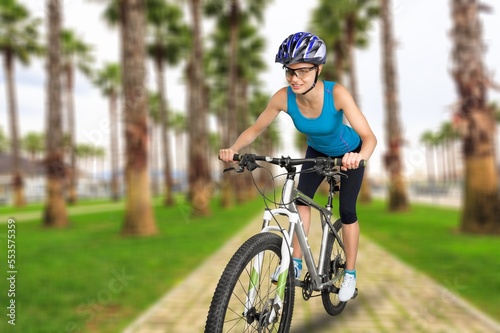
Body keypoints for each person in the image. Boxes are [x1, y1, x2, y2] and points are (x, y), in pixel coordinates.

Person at [219, 32, 377, 302]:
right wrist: (234, 149)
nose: (295, 78)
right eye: (289, 71)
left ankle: (349, 273)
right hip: (316, 152)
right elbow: (256, 128)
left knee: (347, 211)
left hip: (348, 153)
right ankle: (296, 262)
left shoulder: (336, 93)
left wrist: (359, 156)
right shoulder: (283, 98)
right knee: (300, 202)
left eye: (303, 71)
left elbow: (370, 137)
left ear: (319, 69)